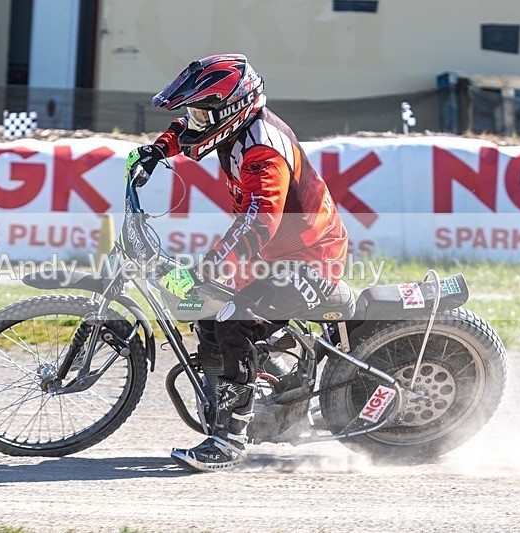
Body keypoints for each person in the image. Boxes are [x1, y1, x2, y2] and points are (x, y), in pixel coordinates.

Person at [125, 54, 353, 472]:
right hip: (276, 253)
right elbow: (189, 128)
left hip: (310, 260)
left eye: (199, 112)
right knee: (206, 312)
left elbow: (257, 222)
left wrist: (204, 270)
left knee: (233, 317)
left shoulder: (263, 153)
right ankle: (281, 395)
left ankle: (229, 440)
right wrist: (157, 150)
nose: (192, 121)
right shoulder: (236, 127)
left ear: (229, 112)